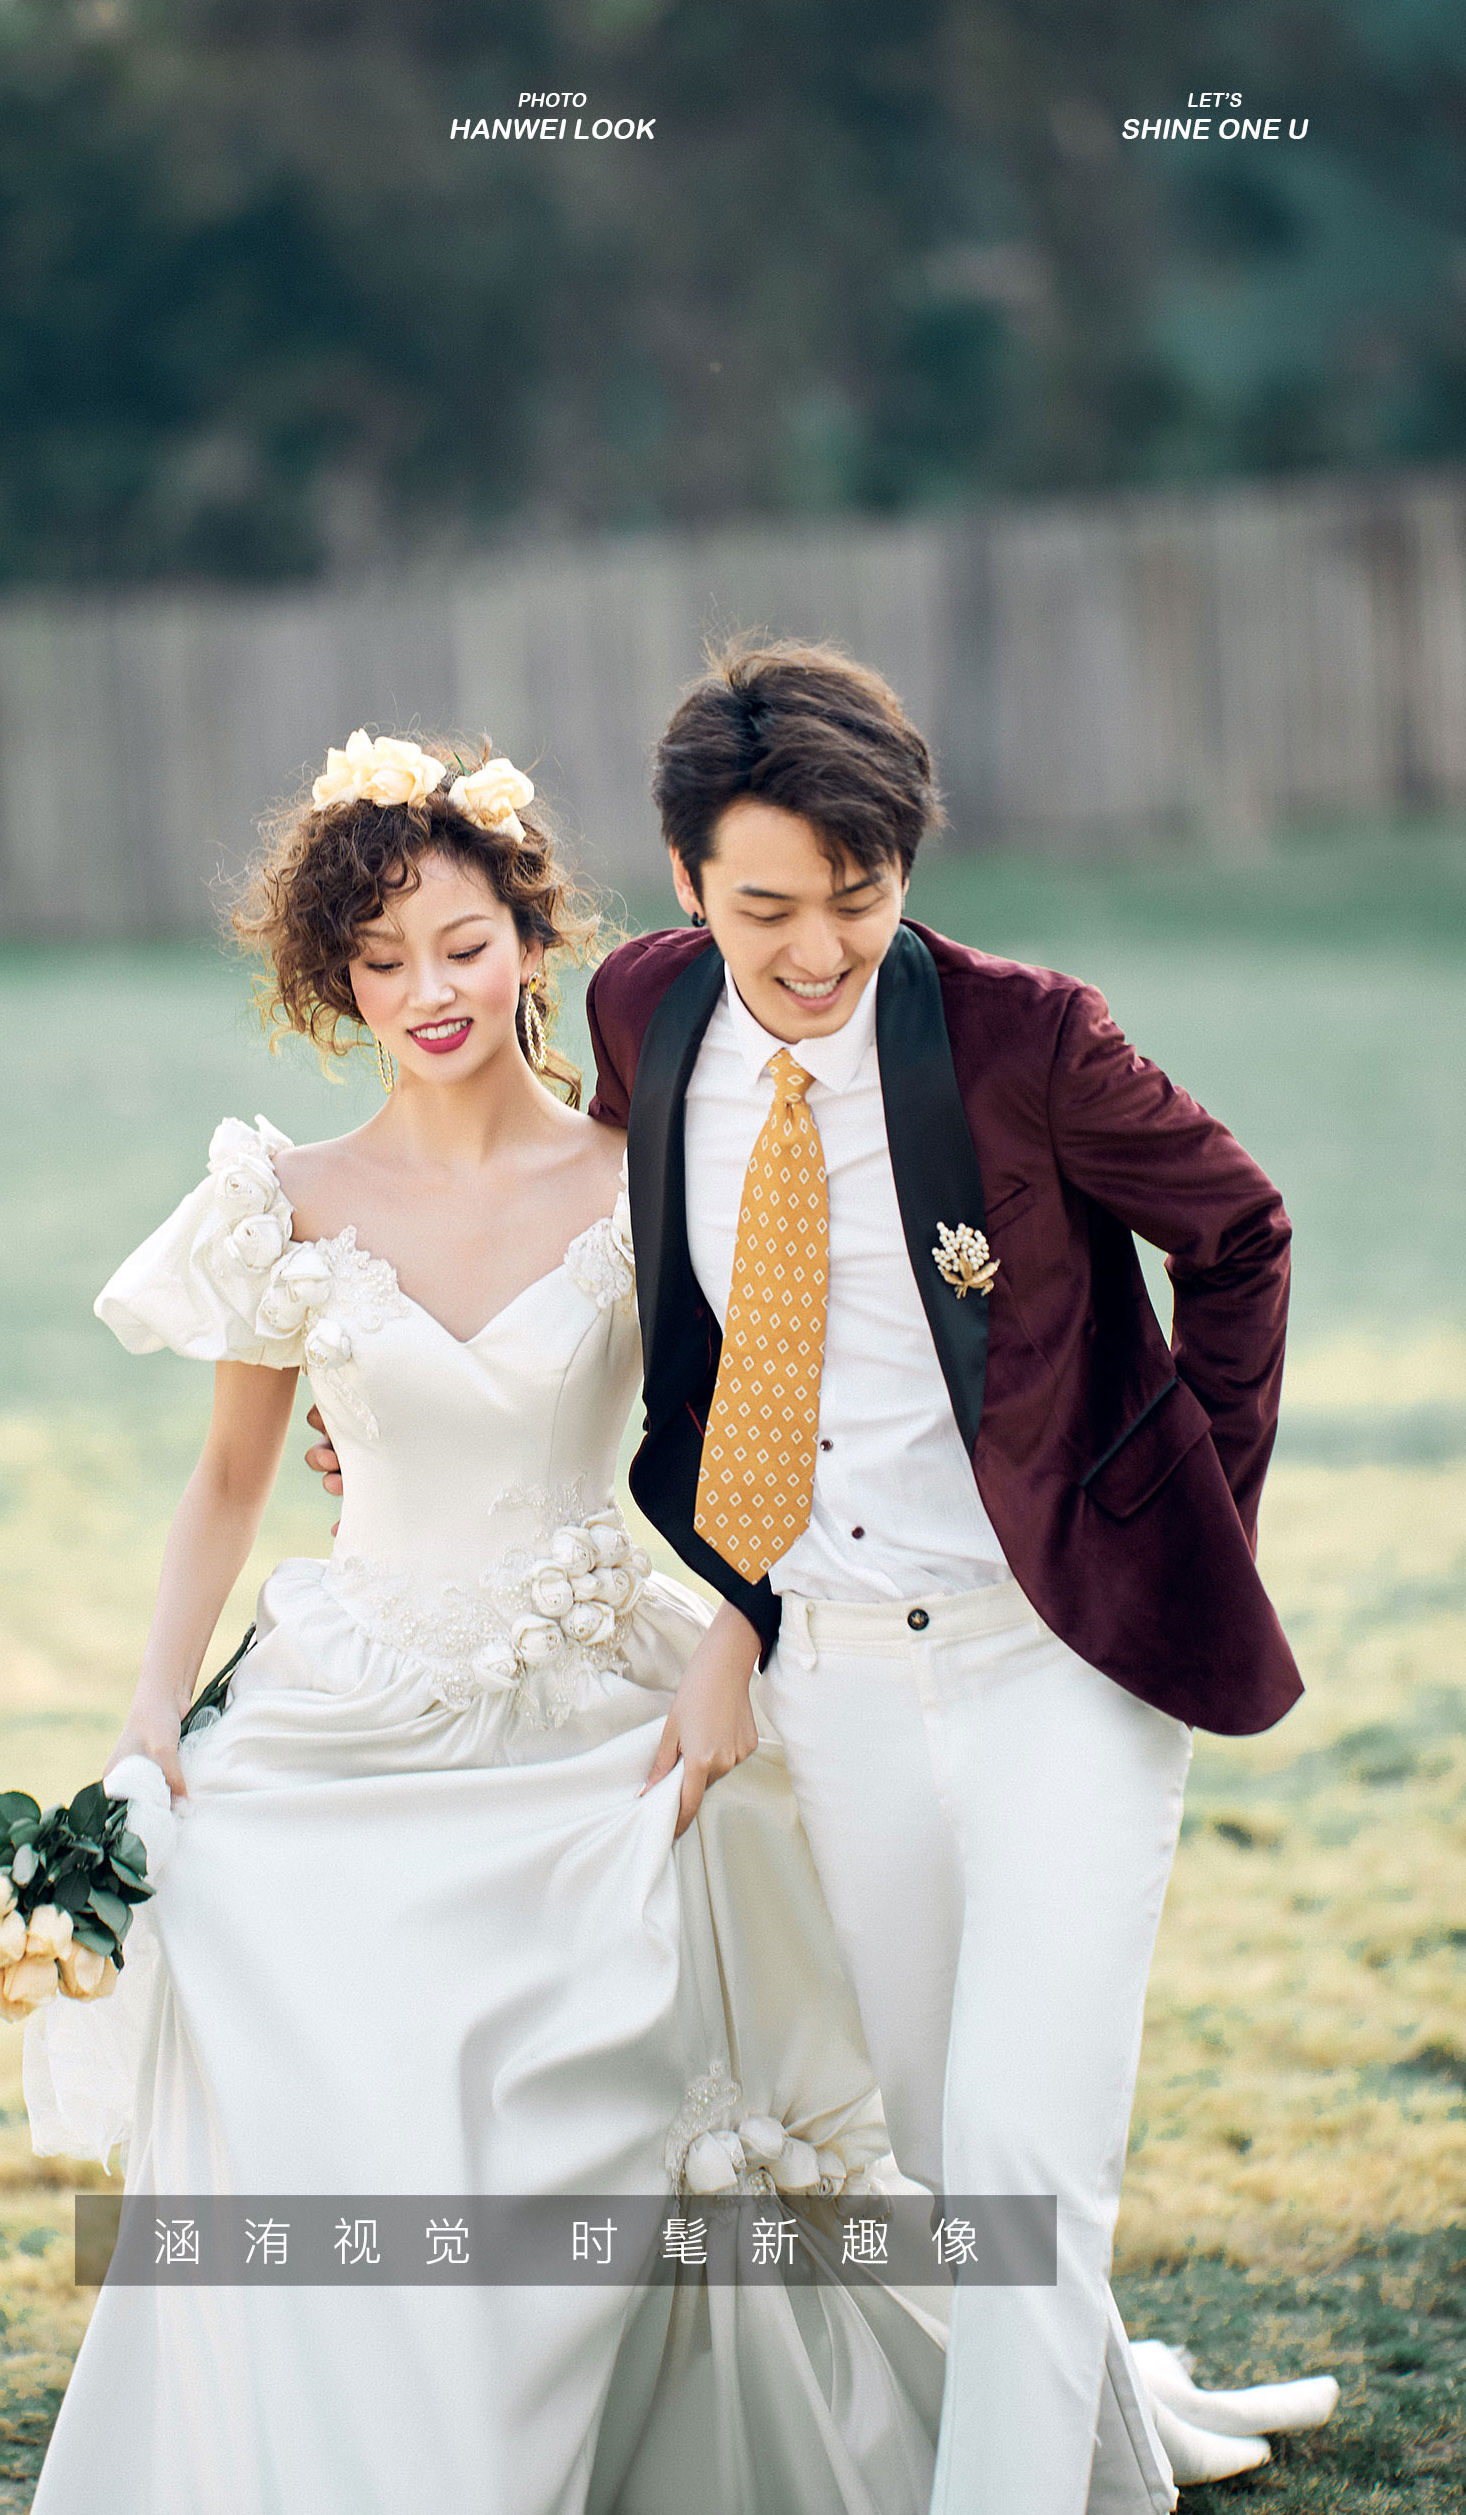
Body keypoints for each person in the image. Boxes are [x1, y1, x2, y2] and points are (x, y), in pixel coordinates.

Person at [20, 728, 960, 2515]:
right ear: (338, 986)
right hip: (353, 1698)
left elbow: (764, 1423)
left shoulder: (640, 1172)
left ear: (532, 939)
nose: (429, 992)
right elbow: (228, 1482)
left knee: (633, 2074)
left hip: (601, 1701)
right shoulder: (285, 1202)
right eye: (381, 962)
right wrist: (152, 1709)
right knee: (268, 1987)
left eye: (462, 944)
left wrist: (734, 1640)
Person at [575, 638, 1340, 2512]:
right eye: (765, 909)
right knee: (939, 2149)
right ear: (684, 882)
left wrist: (1186, 1515)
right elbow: (607, 1271)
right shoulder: (638, 1015)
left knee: (1019, 2149)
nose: (816, 950)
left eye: (858, 897)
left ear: (905, 867)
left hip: (1053, 1659)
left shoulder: (1027, 1039)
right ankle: (1117, 2454)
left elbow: (1239, 1233)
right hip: (830, 1667)